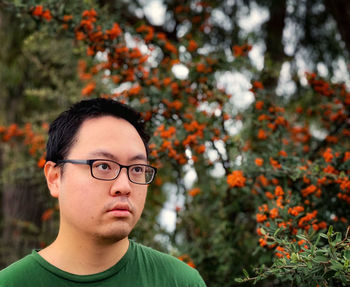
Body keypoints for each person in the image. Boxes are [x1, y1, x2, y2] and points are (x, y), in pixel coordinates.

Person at [0, 98, 206, 286]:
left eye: (136, 169)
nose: (124, 186)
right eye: (104, 166)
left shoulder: (179, 281)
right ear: (54, 178)